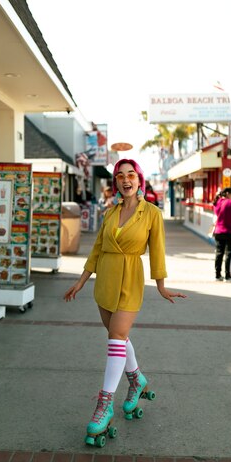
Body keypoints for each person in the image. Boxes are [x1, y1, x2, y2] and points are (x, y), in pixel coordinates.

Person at [64, 158, 186, 447]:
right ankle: (137, 380)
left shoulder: (152, 213)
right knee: (118, 336)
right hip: (105, 280)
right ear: (116, 182)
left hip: (130, 280)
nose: (125, 179)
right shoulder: (111, 212)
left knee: (116, 338)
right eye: (120, 175)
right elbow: (97, 249)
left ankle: (104, 405)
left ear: (139, 180)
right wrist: (81, 281)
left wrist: (162, 285)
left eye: (131, 174)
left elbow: (157, 251)